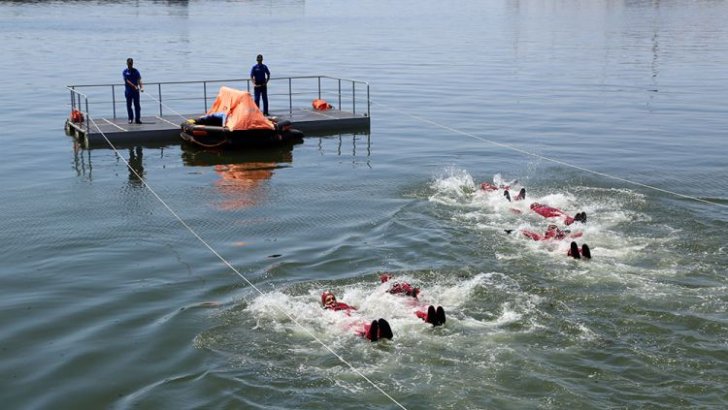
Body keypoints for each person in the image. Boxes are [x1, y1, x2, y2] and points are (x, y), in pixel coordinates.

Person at [321, 291, 393, 342]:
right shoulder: (326, 312)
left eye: (333, 298)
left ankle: (381, 333)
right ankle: (370, 336)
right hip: (345, 321)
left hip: (354, 316)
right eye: (328, 300)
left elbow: (356, 309)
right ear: (324, 303)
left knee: (366, 323)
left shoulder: (343, 305)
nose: (332, 300)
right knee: (358, 329)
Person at [379, 274, 446, 327]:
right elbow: (414, 290)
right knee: (425, 308)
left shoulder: (393, 286)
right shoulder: (401, 284)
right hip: (416, 301)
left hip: (409, 304)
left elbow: (412, 290)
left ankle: (429, 318)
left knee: (417, 312)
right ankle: (434, 316)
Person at [122, 58, 143, 124]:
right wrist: (134, 86)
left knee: (137, 105)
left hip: (135, 92)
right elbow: (127, 81)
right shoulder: (125, 71)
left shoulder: (136, 71)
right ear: (127, 63)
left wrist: (141, 87)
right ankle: (130, 118)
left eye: (131, 63)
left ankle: (137, 119)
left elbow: (139, 79)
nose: (130, 65)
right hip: (128, 91)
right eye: (129, 63)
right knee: (129, 105)